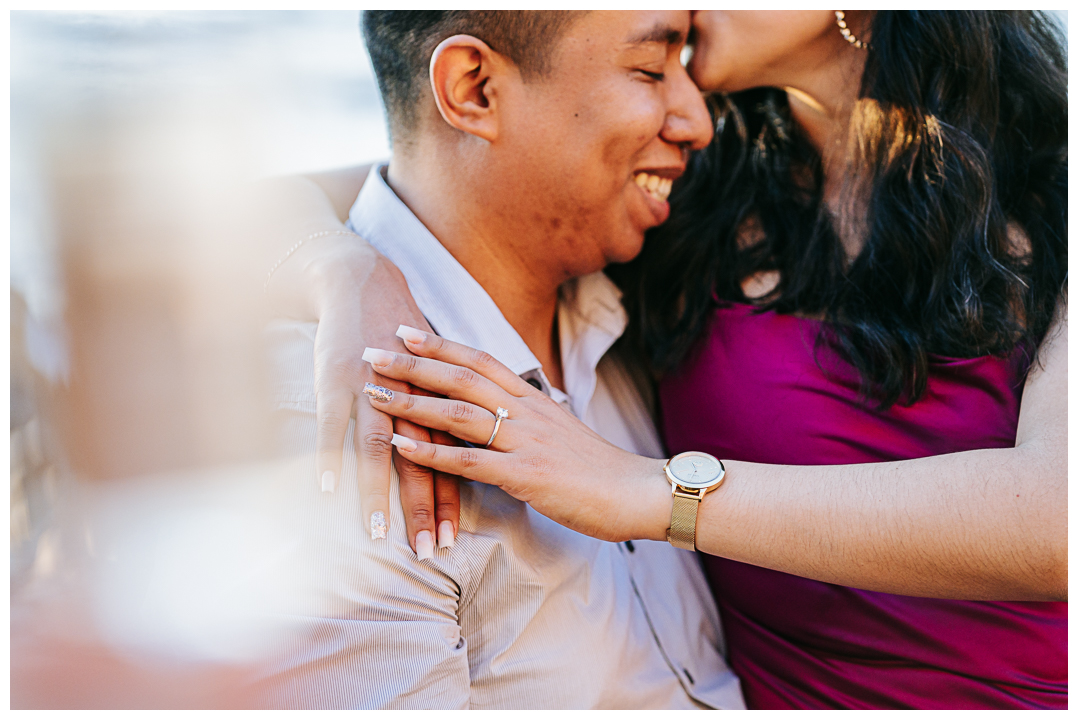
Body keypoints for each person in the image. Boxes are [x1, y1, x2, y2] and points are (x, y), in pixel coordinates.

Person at [262, 10, 1067, 709]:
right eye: (651, 67)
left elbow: (1058, 513)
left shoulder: (1052, 181)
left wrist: (647, 490)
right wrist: (345, 266)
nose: (687, 115)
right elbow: (434, 166)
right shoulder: (693, 201)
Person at [261, 10, 745, 710]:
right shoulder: (339, 425)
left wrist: (327, 255)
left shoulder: (638, 296)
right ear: (474, 89)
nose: (697, 120)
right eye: (649, 69)